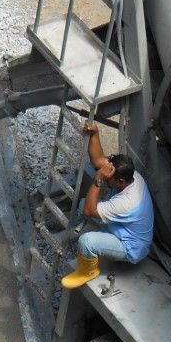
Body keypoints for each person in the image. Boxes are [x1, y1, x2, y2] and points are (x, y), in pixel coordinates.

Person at [61, 122, 154, 288]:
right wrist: (95, 133)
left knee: (87, 242)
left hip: (130, 246)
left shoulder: (127, 203)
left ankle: (88, 271)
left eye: (108, 176)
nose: (105, 174)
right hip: (122, 226)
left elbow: (90, 211)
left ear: (119, 182)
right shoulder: (130, 175)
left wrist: (98, 179)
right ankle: (102, 238)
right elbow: (98, 160)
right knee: (83, 204)